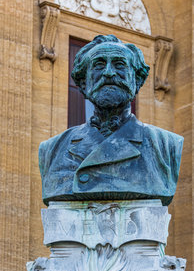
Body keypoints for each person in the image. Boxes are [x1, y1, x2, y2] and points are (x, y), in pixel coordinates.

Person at [39, 35, 183, 206]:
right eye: (99, 65)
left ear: (137, 81)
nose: (108, 72)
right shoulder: (52, 149)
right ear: (84, 84)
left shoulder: (165, 145)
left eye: (119, 65)